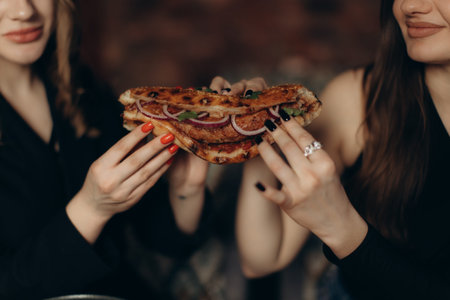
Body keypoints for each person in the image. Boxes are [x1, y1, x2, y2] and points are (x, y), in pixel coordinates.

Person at [211, 0, 450, 298]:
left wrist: (342, 230)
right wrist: (256, 133)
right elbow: (263, 259)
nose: (410, 5)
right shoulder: (358, 98)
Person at [0, 0, 210, 299]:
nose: (24, 11)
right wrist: (90, 209)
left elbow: (161, 236)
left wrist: (187, 185)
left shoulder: (82, 88)